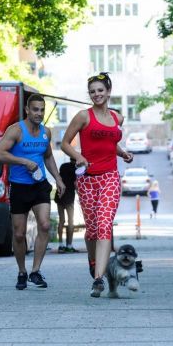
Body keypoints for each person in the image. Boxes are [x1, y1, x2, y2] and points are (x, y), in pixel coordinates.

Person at [60, 72, 134, 297]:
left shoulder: (117, 118)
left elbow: (110, 143)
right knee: (92, 230)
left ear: (108, 92)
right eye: (92, 91)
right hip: (87, 179)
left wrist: (123, 154)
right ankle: (94, 263)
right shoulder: (83, 116)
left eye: (100, 90)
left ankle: (99, 278)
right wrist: (78, 156)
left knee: (104, 225)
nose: (96, 94)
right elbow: (64, 143)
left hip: (110, 176)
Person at [0, 94, 65, 291]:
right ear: (27, 110)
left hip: (40, 185)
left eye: (42, 110)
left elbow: (49, 156)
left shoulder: (46, 133)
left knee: (44, 225)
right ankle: (21, 271)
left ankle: (35, 271)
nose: (39, 113)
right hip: (19, 187)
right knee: (19, 234)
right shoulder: (16, 130)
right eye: (35, 109)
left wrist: (58, 179)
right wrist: (24, 162)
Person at [55, 160, 78, 253]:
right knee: (71, 221)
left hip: (60, 195)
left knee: (61, 220)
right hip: (69, 197)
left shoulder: (63, 165)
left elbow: (58, 179)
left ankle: (60, 245)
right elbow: (76, 184)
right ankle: (69, 245)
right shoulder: (77, 169)